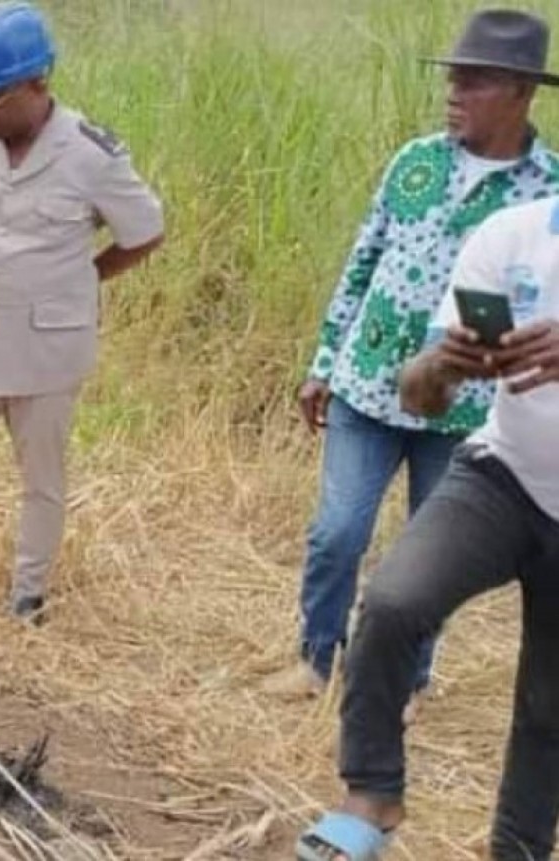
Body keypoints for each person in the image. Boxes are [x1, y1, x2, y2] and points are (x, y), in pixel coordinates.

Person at [265, 8, 559, 711]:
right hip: (367, 383)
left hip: (464, 406)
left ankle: (407, 679)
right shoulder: (415, 161)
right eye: (451, 78)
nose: (453, 92)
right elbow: (363, 260)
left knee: (424, 563)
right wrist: (324, 360)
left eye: (473, 80)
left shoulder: (548, 193)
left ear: (521, 91)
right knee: (338, 530)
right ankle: (315, 656)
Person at [295, 190, 559, 859]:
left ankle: (517, 851)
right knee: (392, 601)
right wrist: (447, 364)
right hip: (507, 474)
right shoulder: (516, 233)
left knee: (547, 707)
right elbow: (420, 391)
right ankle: (372, 795)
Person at [0, 1, 164, 620]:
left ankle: (27, 597)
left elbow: (146, 232)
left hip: (46, 347)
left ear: (37, 84)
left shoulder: (90, 155)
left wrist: (85, 280)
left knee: (41, 480)